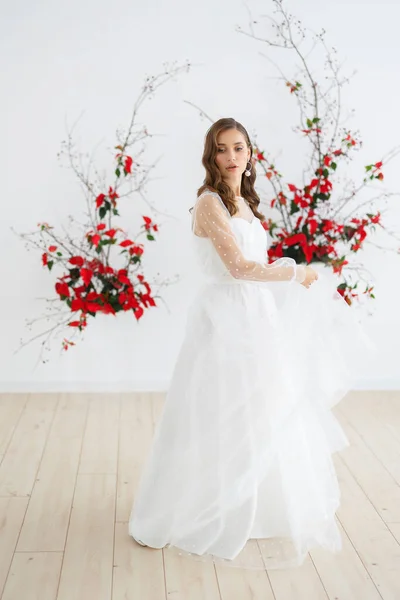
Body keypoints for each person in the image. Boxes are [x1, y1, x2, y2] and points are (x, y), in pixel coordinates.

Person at [128, 117, 372, 569]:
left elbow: (252, 265)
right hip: (226, 316)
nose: (232, 156)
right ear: (211, 155)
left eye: (239, 147)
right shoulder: (208, 203)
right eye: (222, 149)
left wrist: (286, 276)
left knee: (265, 406)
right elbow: (239, 268)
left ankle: (262, 502)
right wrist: (296, 272)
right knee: (224, 407)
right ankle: (212, 505)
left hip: (256, 313)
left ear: (249, 152)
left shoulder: (244, 202)